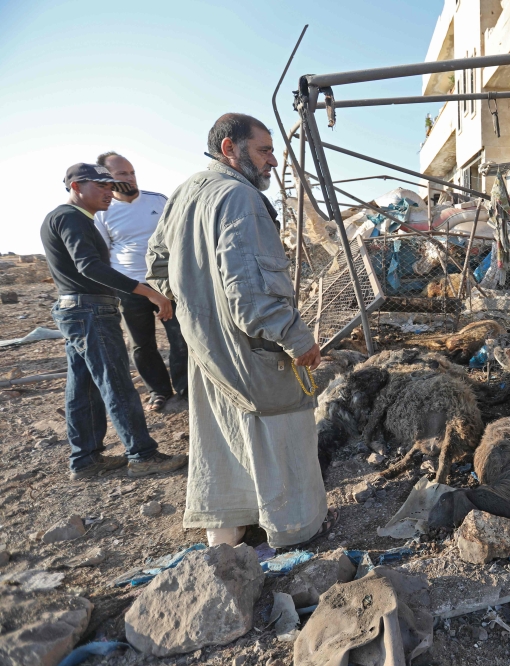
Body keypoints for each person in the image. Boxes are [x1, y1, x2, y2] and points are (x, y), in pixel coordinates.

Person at [146, 113, 326, 548]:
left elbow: (156, 262)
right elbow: (252, 292)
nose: (271, 162)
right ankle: (292, 532)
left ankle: (225, 534)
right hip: (249, 347)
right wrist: (298, 339)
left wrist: (189, 307)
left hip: (204, 346)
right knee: (278, 431)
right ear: (230, 149)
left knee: (222, 437)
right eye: (264, 151)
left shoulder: (185, 192)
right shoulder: (240, 198)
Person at [40, 163, 189, 480]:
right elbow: (89, 267)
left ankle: (85, 459)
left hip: (78, 310)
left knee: (83, 387)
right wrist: (149, 292)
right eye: (101, 186)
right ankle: (142, 455)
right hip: (90, 310)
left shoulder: (70, 218)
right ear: (77, 186)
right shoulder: (71, 218)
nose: (110, 191)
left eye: (111, 186)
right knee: (117, 384)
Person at [94, 152, 188, 412]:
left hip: (166, 283)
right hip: (129, 288)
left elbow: (179, 238)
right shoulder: (102, 212)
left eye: (132, 172)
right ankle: (158, 391)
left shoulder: (158, 201)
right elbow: (104, 252)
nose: (130, 177)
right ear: (106, 177)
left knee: (181, 337)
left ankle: (186, 390)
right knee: (141, 344)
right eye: (122, 173)